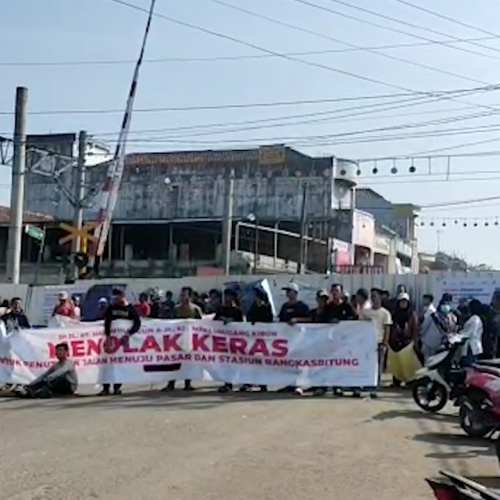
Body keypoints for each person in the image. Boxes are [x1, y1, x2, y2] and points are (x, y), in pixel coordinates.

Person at [99, 288, 141, 396]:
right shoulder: (111, 308)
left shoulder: (130, 309)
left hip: (123, 342)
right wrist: (107, 335)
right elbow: (107, 321)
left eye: (117, 297)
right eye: (114, 298)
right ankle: (106, 388)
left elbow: (137, 323)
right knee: (107, 364)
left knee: (119, 364)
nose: (115, 300)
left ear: (122, 296)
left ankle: (117, 387)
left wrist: (129, 333)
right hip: (111, 341)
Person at [162, 287, 202, 392]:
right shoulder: (176, 309)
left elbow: (201, 325)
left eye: (185, 295)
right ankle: (171, 383)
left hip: (190, 340)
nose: (183, 297)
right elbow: (171, 323)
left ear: (190, 296)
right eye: (182, 295)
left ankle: (187, 384)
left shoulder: (196, 309)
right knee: (174, 361)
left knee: (188, 362)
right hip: (176, 340)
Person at [277, 283, 310, 395]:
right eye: (286, 291)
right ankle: (289, 384)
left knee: (300, 364)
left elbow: (309, 319)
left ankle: (299, 385)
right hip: (288, 340)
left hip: (300, 339)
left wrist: (297, 320)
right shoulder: (284, 306)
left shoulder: (302, 306)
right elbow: (280, 321)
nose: (287, 293)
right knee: (289, 363)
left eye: (289, 291)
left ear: (295, 293)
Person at [360, 288, 392, 398]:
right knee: (367, 365)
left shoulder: (385, 313)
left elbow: (387, 329)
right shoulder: (365, 312)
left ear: (380, 298)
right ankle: (367, 384)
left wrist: (384, 344)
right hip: (367, 343)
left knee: (378, 366)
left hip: (379, 342)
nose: (374, 299)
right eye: (372, 297)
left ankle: (376, 387)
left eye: (375, 296)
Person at [240, 287, 274, 392]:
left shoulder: (267, 308)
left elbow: (269, 321)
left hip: (263, 340)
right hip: (253, 339)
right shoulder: (253, 307)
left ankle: (263, 384)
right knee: (251, 361)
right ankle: (249, 382)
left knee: (262, 362)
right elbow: (249, 318)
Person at [215, 288, 244, 393]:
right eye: (226, 296)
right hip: (222, 341)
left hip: (234, 342)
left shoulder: (238, 311)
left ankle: (239, 382)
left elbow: (242, 326)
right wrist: (221, 319)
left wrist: (232, 321)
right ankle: (227, 383)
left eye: (229, 296)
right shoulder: (221, 309)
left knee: (234, 363)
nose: (227, 298)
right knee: (225, 363)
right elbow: (213, 322)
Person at [389, 292, 419, 387]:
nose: (403, 304)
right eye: (401, 302)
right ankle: (396, 380)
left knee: (408, 363)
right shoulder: (394, 314)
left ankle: (409, 381)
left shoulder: (412, 315)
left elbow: (415, 328)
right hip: (396, 342)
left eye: (405, 302)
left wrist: (414, 340)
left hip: (407, 342)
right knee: (397, 363)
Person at [461, 299, 484, 366]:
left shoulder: (475, 319)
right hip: (469, 346)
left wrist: (458, 336)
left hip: (472, 347)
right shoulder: (472, 318)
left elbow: (470, 333)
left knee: (469, 366)